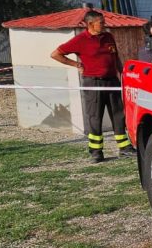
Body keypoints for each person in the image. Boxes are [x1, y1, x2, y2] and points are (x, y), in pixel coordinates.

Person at [51, 10, 136, 163]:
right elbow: (55, 54)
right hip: (93, 83)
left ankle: (124, 148)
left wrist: (123, 74)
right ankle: (96, 152)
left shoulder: (108, 37)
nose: (104, 25)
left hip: (112, 81)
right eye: (101, 23)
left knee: (118, 115)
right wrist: (76, 64)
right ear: (90, 24)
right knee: (95, 117)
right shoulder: (80, 40)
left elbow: (115, 58)